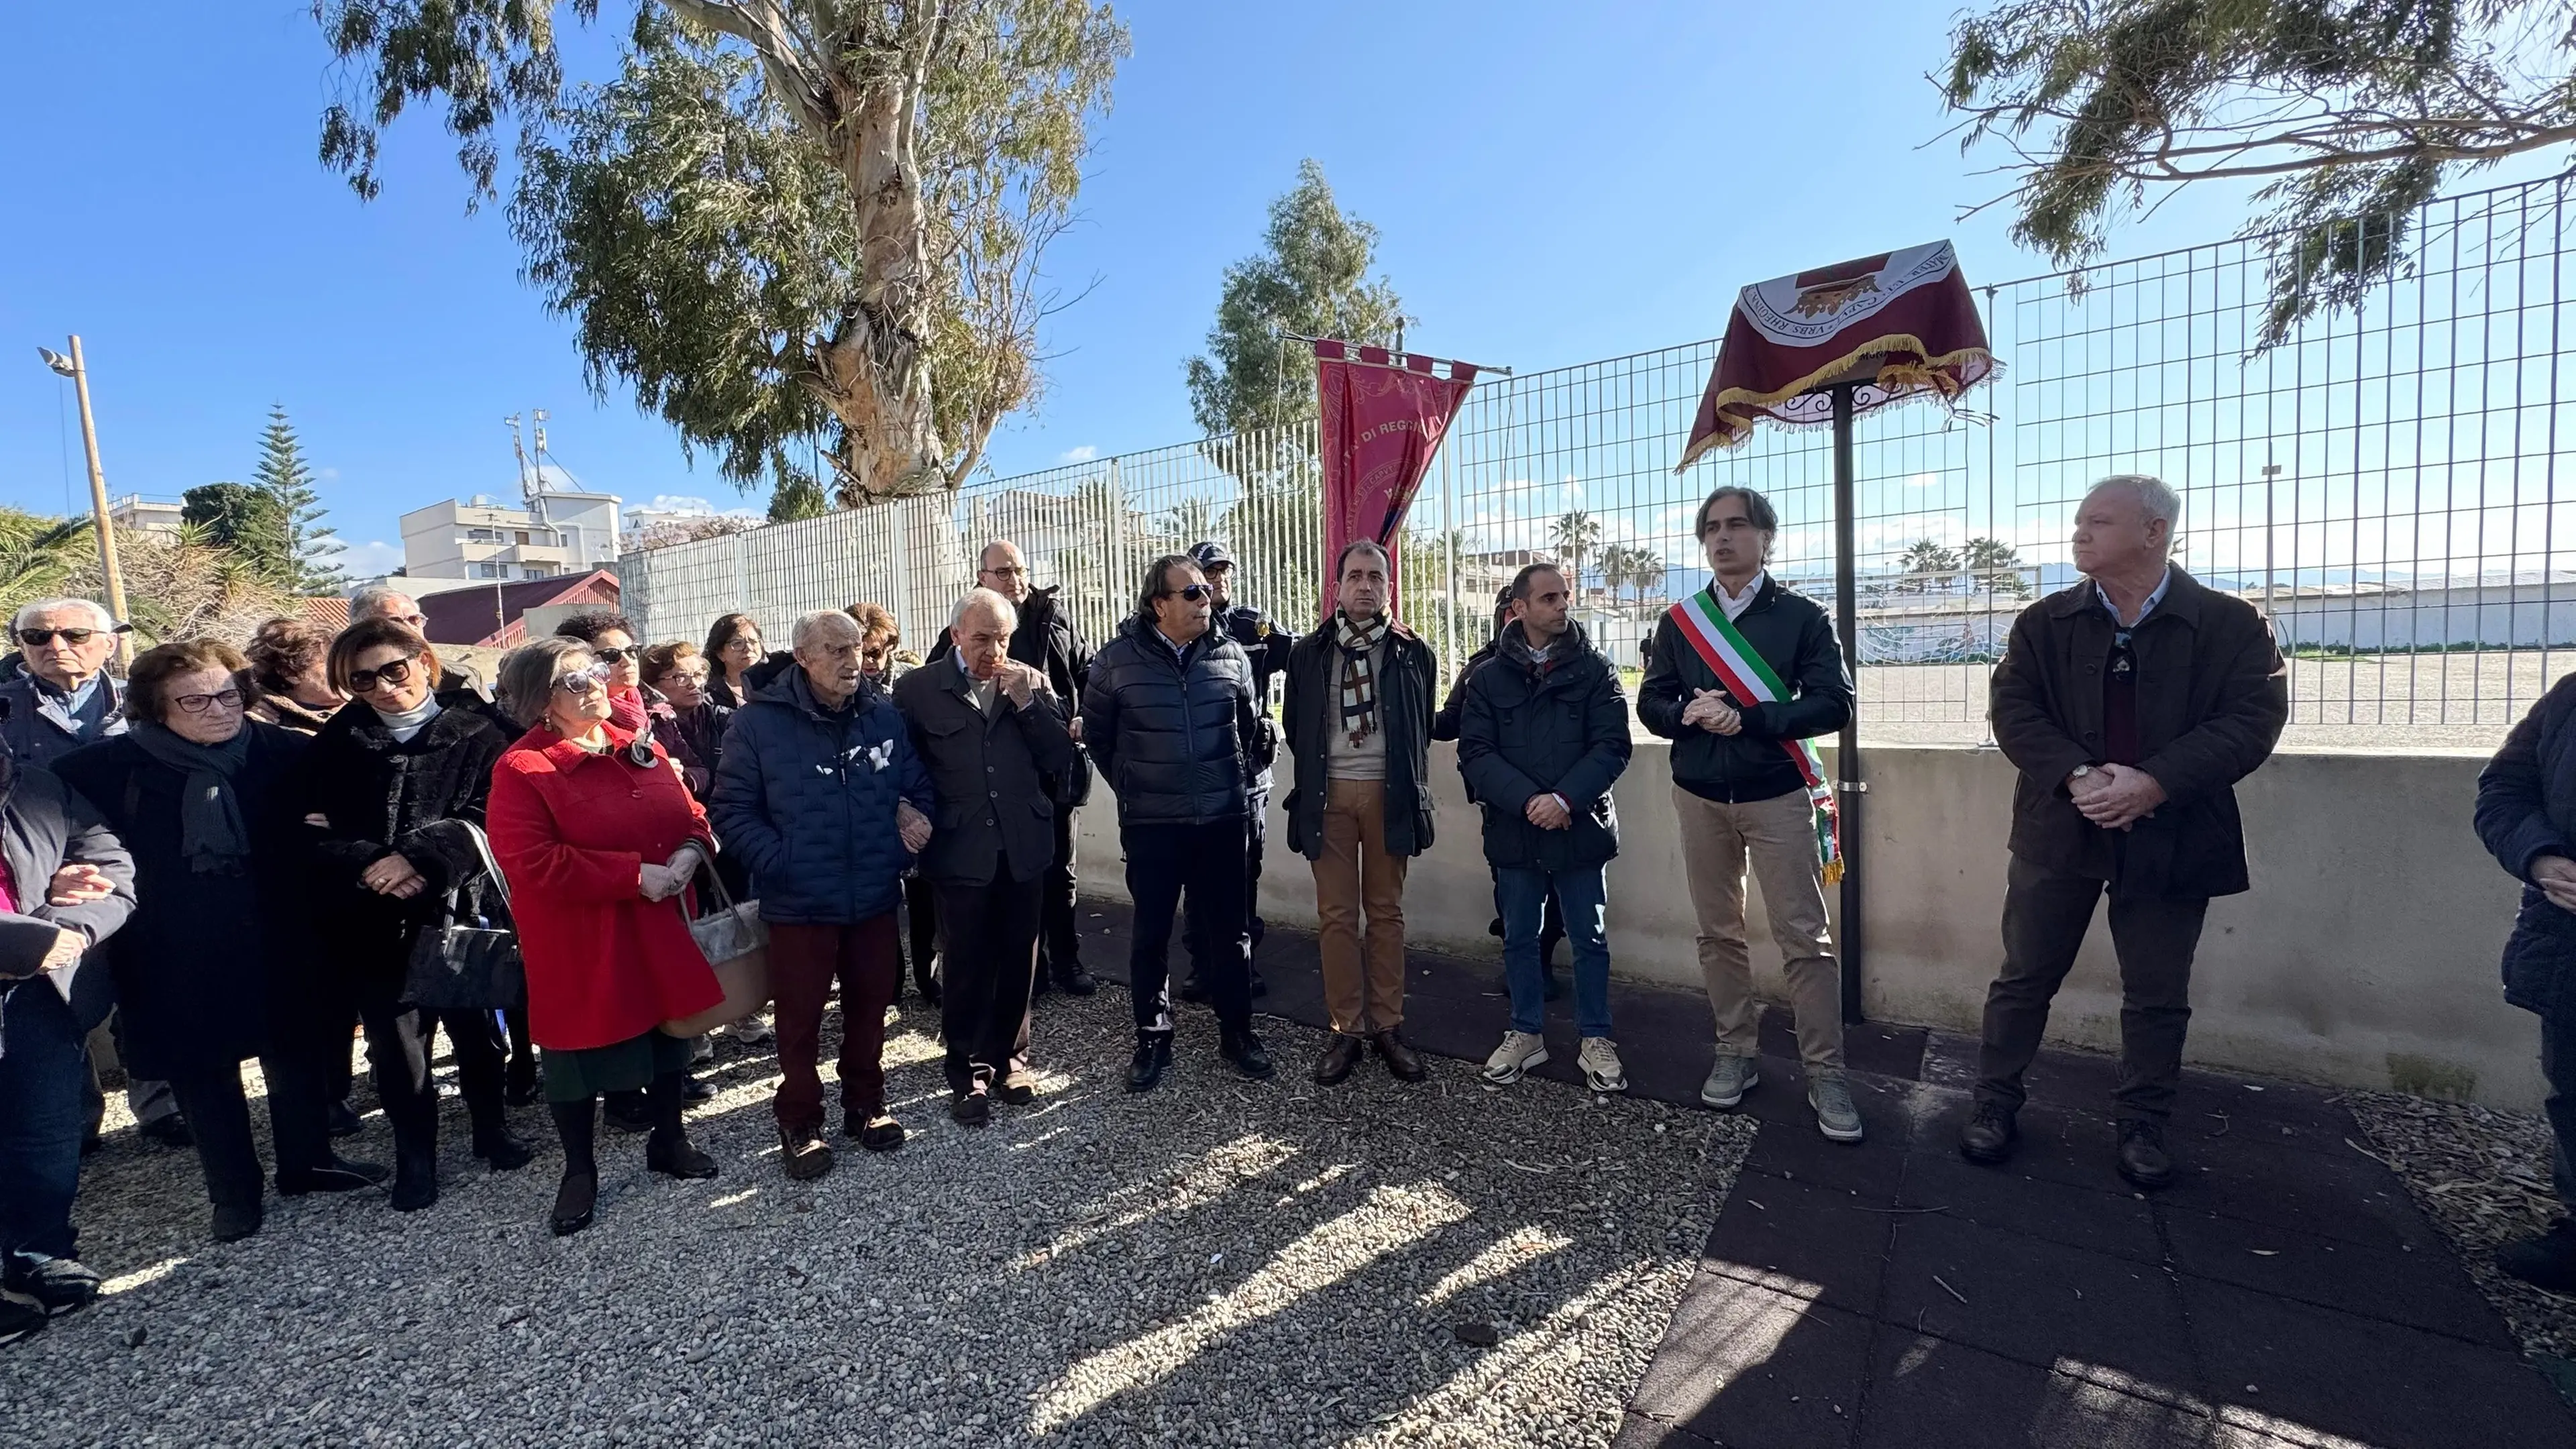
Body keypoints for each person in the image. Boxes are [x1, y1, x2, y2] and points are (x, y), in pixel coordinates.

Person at [1963, 474, 2287, 1189]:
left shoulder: (2232, 624)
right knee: (2024, 976)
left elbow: (2251, 720)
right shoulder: (2043, 623)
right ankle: (1994, 1103)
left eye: (2098, 522)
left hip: (2174, 831)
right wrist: (2079, 776)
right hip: (2061, 827)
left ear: (2153, 531)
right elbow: (2013, 711)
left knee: (2157, 991)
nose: (2079, 533)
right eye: (2078, 521)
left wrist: (2155, 781)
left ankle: (2144, 1123)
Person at [54, 641, 388, 1243]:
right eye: (196, 700)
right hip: (172, 946)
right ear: (156, 708)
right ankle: (233, 1194)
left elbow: (354, 810)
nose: (218, 709)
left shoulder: (288, 751)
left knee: (296, 1055)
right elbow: (60, 834)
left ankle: (308, 1162)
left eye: (229, 694)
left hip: (284, 933)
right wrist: (65, 873)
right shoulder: (101, 769)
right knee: (202, 1073)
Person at [1639, 485, 1862, 1142]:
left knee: (1804, 939)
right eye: (1711, 528)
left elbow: (1833, 704)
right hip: (1701, 797)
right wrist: (1686, 714)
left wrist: (1752, 719)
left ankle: (1827, 1072)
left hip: (1778, 797)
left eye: (1737, 525)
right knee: (1717, 933)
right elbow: (1651, 705)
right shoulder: (1680, 623)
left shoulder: (1802, 617)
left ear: (1766, 537)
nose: (1722, 537)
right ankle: (1736, 1051)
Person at [484, 637, 723, 1237]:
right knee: (576, 1056)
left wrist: (695, 849)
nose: (595, 683)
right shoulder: (523, 767)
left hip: (658, 917)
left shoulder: (632, 746)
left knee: (671, 1036)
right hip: (584, 938)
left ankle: (669, 1139)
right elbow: (531, 860)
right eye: (574, 680)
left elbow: (690, 812)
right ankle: (580, 1170)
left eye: (595, 670)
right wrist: (632, 876)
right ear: (542, 700)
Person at [305, 618, 532, 1213]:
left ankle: (491, 1131)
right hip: (372, 918)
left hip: (461, 909)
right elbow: (303, 827)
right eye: (362, 679)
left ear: (423, 662)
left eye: (393, 669)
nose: (383, 687)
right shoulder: (336, 743)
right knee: (399, 1045)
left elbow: (499, 812)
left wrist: (421, 858)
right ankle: (416, 1158)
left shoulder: (486, 731)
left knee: (477, 1034)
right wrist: (370, 860)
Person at [710, 609, 934, 1177]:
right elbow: (733, 812)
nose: (851, 660)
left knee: (871, 1005)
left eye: (855, 648)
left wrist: (910, 826)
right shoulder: (758, 724)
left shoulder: (883, 713)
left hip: (873, 895)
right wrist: (783, 863)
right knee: (800, 1018)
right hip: (800, 900)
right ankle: (801, 1121)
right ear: (803, 658)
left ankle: (866, 1105)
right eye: (834, 650)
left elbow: (915, 783)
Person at [1081, 553, 1276, 1093]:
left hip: (1221, 819)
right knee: (1150, 934)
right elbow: (1100, 739)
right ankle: (1152, 1036)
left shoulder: (1232, 655)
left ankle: (1237, 1033)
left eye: (1205, 591)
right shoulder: (1115, 662)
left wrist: (1232, 783)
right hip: (1153, 824)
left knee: (1231, 936)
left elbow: (1248, 728)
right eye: (1191, 593)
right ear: (1158, 604)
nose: (1205, 600)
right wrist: (1139, 785)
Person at [0, 598, 182, 1150]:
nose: (57, 646)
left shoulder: (149, 701)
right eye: (38, 636)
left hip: (152, 872)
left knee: (154, 993)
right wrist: (47, 875)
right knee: (57, 1000)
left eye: (76, 634)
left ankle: (162, 1107)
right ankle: (73, 1123)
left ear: (111, 642)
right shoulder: (4, 708)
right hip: (53, 890)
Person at [894, 590, 1075, 1124]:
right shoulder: (917, 690)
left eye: (1002, 639)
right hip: (960, 847)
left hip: (1023, 844)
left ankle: (1012, 1058)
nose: (993, 650)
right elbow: (901, 764)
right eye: (981, 639)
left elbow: (1059, 758)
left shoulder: (1031, 682)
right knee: (967, 958)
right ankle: (968, 1069)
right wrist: (905, 810)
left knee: (1021, 956)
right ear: (955, 636)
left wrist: (1028, 703)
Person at [1459, 564, 1634, 1095]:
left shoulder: (1596, 671)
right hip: (1516, 829)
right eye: (1550, 598)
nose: (1563, 606)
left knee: (1589, 937)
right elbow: (1475, 753)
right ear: (1520, 609)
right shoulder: (1486, 677)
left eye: (1565, 596)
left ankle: (1596, 1038)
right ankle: (1526, 1032)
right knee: (1519, 937)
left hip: (1579, 827)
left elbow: (1612, 747)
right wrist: (1529, 801)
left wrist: (1563, 799)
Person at [1282, 540, 1436, 1085]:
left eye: (1376, 576)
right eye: (1355, 576)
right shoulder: (1308, 653)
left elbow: (1421, 728)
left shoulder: (1413, 651)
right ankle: (1346, 1027)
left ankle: (1388, 1026)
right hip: (1329, 799)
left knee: (1387, 914)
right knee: (1338, 917)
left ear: (1389, 585)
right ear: (1338, 586)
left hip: (1389, 798)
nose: (1366, 585)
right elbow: (1294, 727)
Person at [0, 747, 136, 1339]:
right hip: (26, 957)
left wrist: (73, 927)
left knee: (44, 1131)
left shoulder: (36, 786)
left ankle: (37, 1255)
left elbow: (110, 864)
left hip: (40, 990)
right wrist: (28, 939)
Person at [556, 611, 714, 1116]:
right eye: (607, 656)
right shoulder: (556, 743)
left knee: (668, 980)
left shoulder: (642, 713)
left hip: (668, 872)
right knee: (620, 987)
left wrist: (691, 842)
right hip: (614, 884)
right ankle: (623, 1093)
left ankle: (672, 1086)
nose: (624, 662)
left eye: (629, 650)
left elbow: (686, 802)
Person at [929, 541, 1097, 998]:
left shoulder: (1054, 615)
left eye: (1020, 569)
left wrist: (1083, 713)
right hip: (997, 775)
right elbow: (935, 686)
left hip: (1051, 761)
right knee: (1014, 874)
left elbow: (1087, 673)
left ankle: (1067, 960)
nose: (1015, 580)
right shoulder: (967, 623)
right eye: (1003, 572)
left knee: (1060, 871)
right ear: (981, 576)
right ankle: (1030, 970)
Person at [2475, 674, 2576, 1293]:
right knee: (2572, 1087)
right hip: (2566, 943)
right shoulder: (2569, 699)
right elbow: (2505, 791)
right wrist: (2540, 856)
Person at [1438, 588, 1568, 1002]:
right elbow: (1449, 723)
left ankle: (1543, 964)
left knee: (1560, 890)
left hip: (1562, 802)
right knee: (1511, 891)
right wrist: (1407, 710)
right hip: (1502, 802)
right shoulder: (1481, 668)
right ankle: (1522, 968)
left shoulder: (1573, 660)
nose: (1514, 617)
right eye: (1507, 610)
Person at [1179, 539, 1294, 1003]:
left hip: (1248, 775)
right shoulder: (1182, 628)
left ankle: (1242, 964)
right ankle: (1202, 963)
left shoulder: (1253, 624)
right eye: (1209, 571)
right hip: (1197, 773)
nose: (1219, 578)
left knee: (1245, 872)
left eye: (1225, 569)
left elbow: (1300, 656)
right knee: (1197, 874)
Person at [852, 602, 941, 1004]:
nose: (870, 661)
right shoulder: (845, 685)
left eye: (877, 651)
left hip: (920, 792)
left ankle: (928, 977)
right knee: (882, 902)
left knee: (925, 899)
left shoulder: (912, 680)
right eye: (860, 651)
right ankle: (889, 982)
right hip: (870, 804)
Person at [350, 588, 490, 705]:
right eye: (394, 623)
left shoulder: (466, 676)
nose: (409, 628)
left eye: (414, 619)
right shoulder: (349, 687)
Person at [639, 642, 722, 796]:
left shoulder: (718, 717)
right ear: (653, 685)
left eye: (699, 675)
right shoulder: (648, 725)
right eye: (682, 677)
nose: (694, 684)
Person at [243, 616, 347, 735]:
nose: (346, 671)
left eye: (346, 663)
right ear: (290, 673)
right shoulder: (256, 722)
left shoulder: (365, 709)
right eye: (330, 665)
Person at [703, 612, 771, 712]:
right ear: (720, 654)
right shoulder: (710, 696)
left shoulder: (776, 683)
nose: (748, 648)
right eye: (737, 643)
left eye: (753, 641)